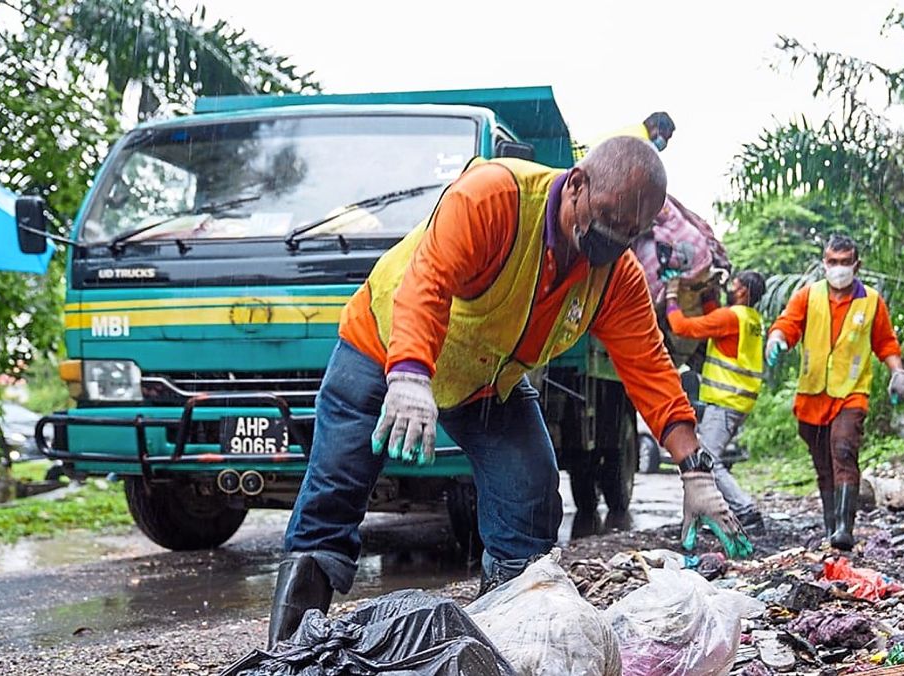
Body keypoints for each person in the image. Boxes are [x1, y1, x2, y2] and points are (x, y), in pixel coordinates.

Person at [268, 136, 752, 647]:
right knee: (334, 490)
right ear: (578, 183)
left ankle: (504, 638)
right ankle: (287, 652)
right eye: (607, 218)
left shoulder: (615, 276)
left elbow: (650, 370)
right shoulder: (495, 197)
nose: (613, 239)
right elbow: (426, 281)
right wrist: (409, 375)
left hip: (483, 382)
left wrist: (694, 471)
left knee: (531, 488)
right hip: (383, 346)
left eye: (631, 231)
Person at [765, 235, 904, 551]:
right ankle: (831, 526)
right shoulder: (808, 296)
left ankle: (845, 529)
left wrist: (898, 372)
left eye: (846, 262)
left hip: (851, 392)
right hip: (812, 393)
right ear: (824, 264)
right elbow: (787, 325)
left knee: (843, 449)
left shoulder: (871, 301)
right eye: (833, 262)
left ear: (857, 265)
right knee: (823, 464)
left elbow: (885, 341)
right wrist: (776, 339)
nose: (839, 268)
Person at [664, 270, 767, 531]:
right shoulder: (751, 319)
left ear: (742, 291)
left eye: (735, 284)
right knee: (709, 458)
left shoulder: (730, 318)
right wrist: (709, 295)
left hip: (724, 400)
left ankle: (746, 511)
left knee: (707, 460)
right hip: (738, 400)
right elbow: (715, 318)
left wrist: (672, 298)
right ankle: (719, 511)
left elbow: (682, 327)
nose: (731, 287)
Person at [573, 111, 676, 159]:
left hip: (580, 154)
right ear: (654, 126)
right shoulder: (641, 143)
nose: (664, 143)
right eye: (664, 137)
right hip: (584, 162)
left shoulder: (634, 130)